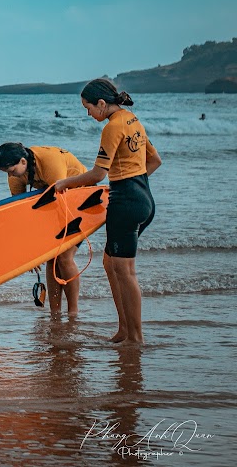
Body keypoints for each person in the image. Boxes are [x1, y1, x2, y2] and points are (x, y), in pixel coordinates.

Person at [54, 78, 162, 345]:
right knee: (110, 263)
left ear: (101, 103)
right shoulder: (132, 120)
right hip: (143, 198)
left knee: (125, 271)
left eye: (88, 108)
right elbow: (155, 160)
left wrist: (65, 183)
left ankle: (135, 337)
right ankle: (124, 330)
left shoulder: (112, 128)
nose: (88, 114)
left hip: (125, 204)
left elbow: (98, 174)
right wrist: (135, 186)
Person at [0, 142, 87, 316]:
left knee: (64, 257)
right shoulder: (16, 175)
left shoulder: (50, 162)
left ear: (23, 161)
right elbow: (22, 213)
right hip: (55, 201)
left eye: (11, 170)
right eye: (6, 172)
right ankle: (55, 312)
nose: (10, 175)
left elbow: (61, 202)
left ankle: (73, 313)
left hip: (82, 196)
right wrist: (32, 251)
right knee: (51, 258)